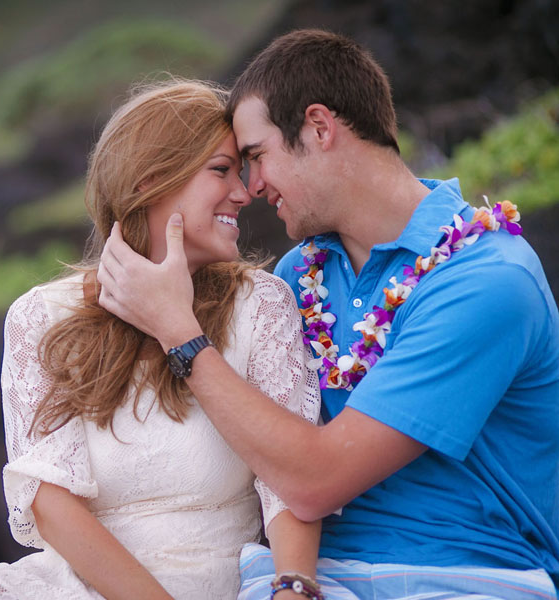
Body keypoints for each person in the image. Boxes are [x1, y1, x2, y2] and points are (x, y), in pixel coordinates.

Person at [97, 30, 559, 599]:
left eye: (256, 157)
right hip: (306, 578)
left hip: (466, 575)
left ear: (319, 127)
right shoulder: (297, 278)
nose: (252, 186)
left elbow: (315, 483)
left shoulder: (486, 280)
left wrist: (180, 334)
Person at [0, 79, 323, 600]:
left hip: (211, 581)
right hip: (78, 583)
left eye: (243, 170)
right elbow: (50, 502)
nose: (245, 190)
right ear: (149, 182)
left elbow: (287, 480)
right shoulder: (42, 316)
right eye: (221, 170)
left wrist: (293, 587)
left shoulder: (262, 305)